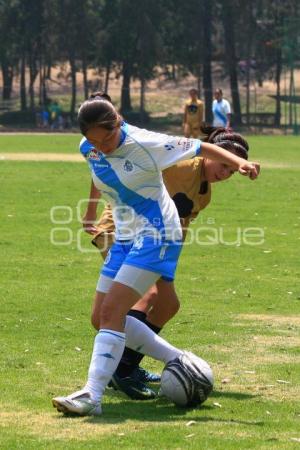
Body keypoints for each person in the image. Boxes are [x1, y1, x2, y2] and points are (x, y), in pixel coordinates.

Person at [52, 92, 259, 416]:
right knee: (101, 317)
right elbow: (98, 168)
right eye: (96, 141)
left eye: (108, 137)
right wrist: (92, 210)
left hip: (157, 234)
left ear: (118, 121)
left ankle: (92, 396)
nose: (104, 145)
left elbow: (201, 147)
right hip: (124, 236)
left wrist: (240, 164)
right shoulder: (89, 148)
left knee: (115, 311)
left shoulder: (146, 143)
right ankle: (177, 359)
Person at [85, 126, 251, 400]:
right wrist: (92, 208)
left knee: (168, 303)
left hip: (154, 240)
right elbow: (113, 167)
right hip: (120, 228)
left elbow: (178, 229)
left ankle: (126, 366)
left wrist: (166, 271)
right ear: (211, 152)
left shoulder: (204, 193)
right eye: (224, 165)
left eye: (231, 172)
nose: (225, 173)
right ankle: (120, 369)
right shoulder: (181, 163)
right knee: (143, 296)